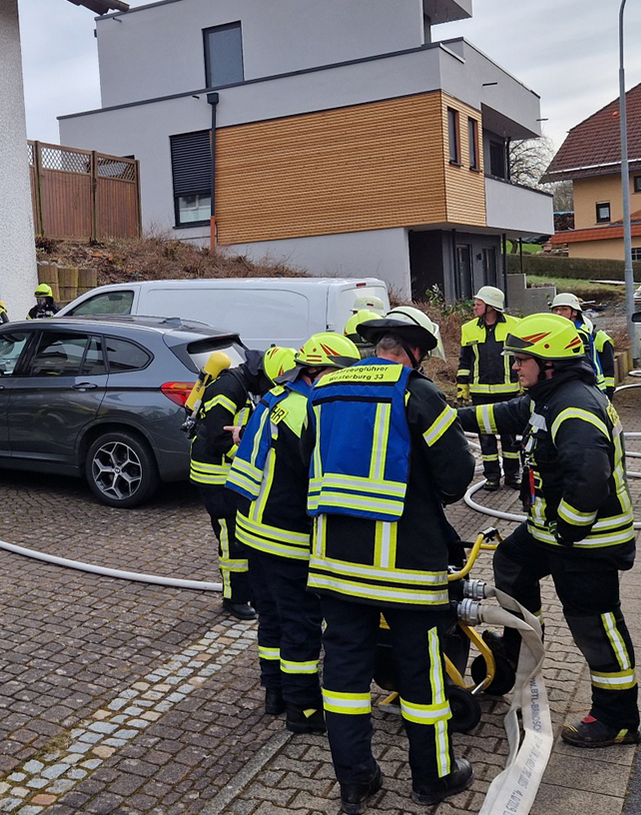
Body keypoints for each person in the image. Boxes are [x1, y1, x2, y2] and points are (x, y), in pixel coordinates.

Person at [307, 306, 475, 813]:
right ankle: (433, 778)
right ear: (417, 350)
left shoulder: (326, 391)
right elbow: (457, 476)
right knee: (421, 677)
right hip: (405, 571)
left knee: (342, 680)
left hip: (335, 564)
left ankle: (356, 782)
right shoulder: (417, 392)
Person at [456, 312, 641, 747]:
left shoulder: (574, 407)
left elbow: (589, 480)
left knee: (594, 624)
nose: (515, 367)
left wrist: (569, 533)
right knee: (512, 562)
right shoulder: (546, 397)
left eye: (522, 359)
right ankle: (519, 650)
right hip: (553, 532)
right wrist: (442, 415)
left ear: (550, 362)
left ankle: (617, 718)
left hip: (587, 540)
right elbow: (504, 414)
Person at [227, 334, 359, 735]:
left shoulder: (275, 400)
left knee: (271, 616)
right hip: (287, 536)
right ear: (320, 372)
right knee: (301, 623)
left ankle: (275, 692)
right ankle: (302, 711)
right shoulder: (309, 410)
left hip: (252, 529)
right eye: (344, 375)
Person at [189, 349, 277, 620]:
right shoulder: (228, 389)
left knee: (241, 537)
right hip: (215, 476)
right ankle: (234, 599)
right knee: (231, 541)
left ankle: (247, 592)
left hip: (229, 475)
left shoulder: (244, 385)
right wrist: (252, 455)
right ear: (260, 374)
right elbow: (218, 439)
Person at [456, 286, 521, 491]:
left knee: (510, 438)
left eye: (478, 304)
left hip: (508, 391)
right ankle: (492, 476)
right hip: (480, 392)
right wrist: (462, 387)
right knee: (486, 437)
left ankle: (513, 475)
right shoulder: (469, 329)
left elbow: (522, 357)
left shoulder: (515, 326)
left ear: (491, 307)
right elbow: (465, 360)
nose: (474, 307)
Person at [550, 292, 615, 398]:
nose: (558, 313)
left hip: (586, 387)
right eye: (555, 310)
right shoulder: (564, 331)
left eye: (563, 309)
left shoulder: (579, 333)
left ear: (574, 312)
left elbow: (582, 365)